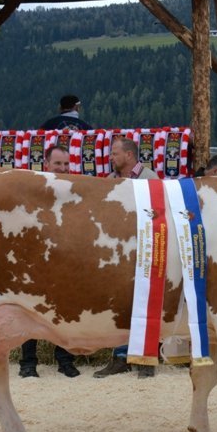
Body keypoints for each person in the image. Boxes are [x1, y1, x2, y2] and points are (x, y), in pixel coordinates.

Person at [94, 137, 161, 379]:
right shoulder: (110, 182)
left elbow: (158, 215)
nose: (111, 158)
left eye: (114, 153)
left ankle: (146, 359)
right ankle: (120, 357)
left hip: (145, 250)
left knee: (146, 301)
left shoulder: (150, 179)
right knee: (121, 304)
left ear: (129, 155)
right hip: (117, 253)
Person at [18, 145, 80, 378]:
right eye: (58, 164)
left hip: (65, 257)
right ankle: (28, 363)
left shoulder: (74, 193)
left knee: (65, 309)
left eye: (66, 164)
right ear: (47, 165)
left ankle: (65, 360)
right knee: (31, 308)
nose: (63, 168)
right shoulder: (35, 190)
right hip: (37, 258)